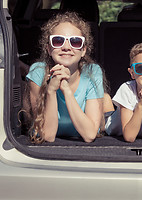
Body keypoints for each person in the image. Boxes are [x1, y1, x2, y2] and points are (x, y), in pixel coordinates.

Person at [25, 12, 104, 143]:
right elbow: (48, 136)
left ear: (83, 50)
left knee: (105, 102)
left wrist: (66, 89)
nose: (66, 47)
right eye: (58, 41)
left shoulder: (92, 72)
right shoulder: (38, 72)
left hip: (82, 138)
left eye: (75, 42)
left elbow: (90, 135)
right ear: (49, 49)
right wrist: (51, 91)